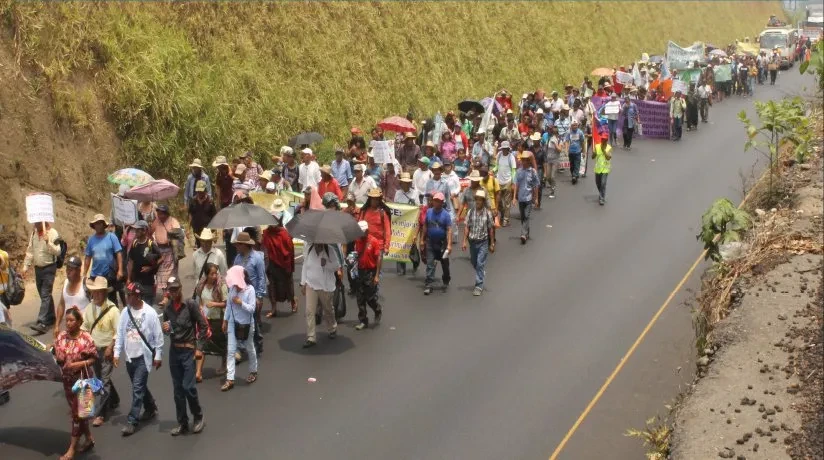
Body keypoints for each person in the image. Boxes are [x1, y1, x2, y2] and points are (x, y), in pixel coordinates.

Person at [159, 276, 207, 435]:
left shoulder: (190, 305)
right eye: (170, 290)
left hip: (188, 351)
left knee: (188, 387)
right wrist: (165, 329)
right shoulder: (167, 309)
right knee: (178, 390)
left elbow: (203, 325)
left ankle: (198, 416)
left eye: (175, 289)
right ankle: (182, 422)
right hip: (174, 351)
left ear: (180, 288)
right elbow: (168, 330)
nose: (173, 292)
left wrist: (199, 347)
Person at [114, 282, 163, 436]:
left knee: (137, 388)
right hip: (130, 356)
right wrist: (117, 353)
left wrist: (158, 355)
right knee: (139, 386)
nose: (127, 297)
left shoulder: (150, 313)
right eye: (127, 295)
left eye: (130, 295)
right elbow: (120, 334)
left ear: (138, 295)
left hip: (143, 357)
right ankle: (150, 406)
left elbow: (158, 336)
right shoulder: (125, 312)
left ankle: (132, 421)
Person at [53, 308, 97, 460]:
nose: (68, 323)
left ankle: (71, 450)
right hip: (67, 381)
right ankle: (89, 438)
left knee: (77, 415)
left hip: (83, 381)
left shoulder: (86, 338)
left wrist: (79, 364)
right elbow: (58, 356)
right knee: (81, 413)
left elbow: (93, 358)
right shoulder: (61, 337)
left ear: (79, 322)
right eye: (67, 320)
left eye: (72, 320)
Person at [81, 276, 121, 427]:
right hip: (93, 349)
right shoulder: (89, 308)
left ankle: (101, 414)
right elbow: (85, 326)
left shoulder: (113, 311)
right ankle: (114, 398)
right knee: (101, 378)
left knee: (103, 382)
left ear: (104, 293)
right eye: (93, 292)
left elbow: (118, 333)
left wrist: (111, 348)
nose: (95, 295)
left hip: (107, 350)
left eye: (98, 292)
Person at [220, 266, 258, 390]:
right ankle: (230, 379)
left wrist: (240, 303)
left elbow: (252, 309)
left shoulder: (250, 290)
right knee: (231, 351)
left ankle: (253, 371)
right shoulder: (232, 289)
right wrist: (225, 320)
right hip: (232, 322)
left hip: (246, 324)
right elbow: (228, 306)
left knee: (249, 347)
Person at [23, 221, 62, 334]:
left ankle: (42, 322)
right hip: (38, 269)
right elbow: (30, 251)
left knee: (45, 293)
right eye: (35, 223)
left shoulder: (53, 233)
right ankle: (51, 317)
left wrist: (47, 241)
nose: (35, 225)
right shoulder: (34, 233)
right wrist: (25, 266)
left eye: (37, 223)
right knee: (43, 294)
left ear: (43, 222)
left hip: (49, 267)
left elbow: (58, 251)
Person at [300, 241, 340, 344]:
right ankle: (311, 337)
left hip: (324, 286)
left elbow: (336, 266)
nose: (317, 243)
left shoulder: (329, 250)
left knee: (328, 309)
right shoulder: (309, 249)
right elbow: (305, 266)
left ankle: (332, 328)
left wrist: (326, 263)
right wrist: (303, 283)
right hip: (311, 284)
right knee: (309, 311)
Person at [261, 207, 297, 316]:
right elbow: (263, 246)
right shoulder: (266, 233)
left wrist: (290, 265)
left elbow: (290, 250)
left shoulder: (284, 233)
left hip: (284, 263)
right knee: (271, 286)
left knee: (288, 285)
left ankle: (293, 302)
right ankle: (273, 308)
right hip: (271, 263)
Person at [84, 214, 124, 306]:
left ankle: (114, 318)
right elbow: (88, 257)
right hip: (95, 274)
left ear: (103, 225)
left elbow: (119, 253)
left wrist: (120, 270)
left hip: (108, 274)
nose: (98, 225)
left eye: (100, 223)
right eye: (96, 224)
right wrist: (84, 274)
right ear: (94, 226)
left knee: (111, 300)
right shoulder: (91, 240)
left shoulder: (111, 237)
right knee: (96, 300)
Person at [462, 189, 495, 296]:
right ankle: (480, 272)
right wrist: (464, 241)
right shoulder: (471, 212)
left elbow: (490, 228)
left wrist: (492, 243)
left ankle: (478, 285)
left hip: (483, 242)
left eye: (480, 200)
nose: (478, 202)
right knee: (474, 262)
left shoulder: (488, 214)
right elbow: (467, 226)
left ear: (483, 201)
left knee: (480, 263)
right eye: (477, 200)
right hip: (472, 241)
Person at [353, 220, 382, 330]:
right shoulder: (358, 240)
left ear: (367, 231)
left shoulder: (374, 241)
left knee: (369, 297)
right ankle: (363, 320)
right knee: (360, 297)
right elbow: (357, 253)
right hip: (360, 271)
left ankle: (377, 309)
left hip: (371, 272)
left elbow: (379, 258)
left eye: (363, 231)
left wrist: (377, 275)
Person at [422, 192, 452, 295]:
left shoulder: (446, 215)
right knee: (430, 263)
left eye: (438, 201)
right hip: (430, 242)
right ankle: (429, 284)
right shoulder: (429, 212)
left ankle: (446, 279)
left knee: (444, 264)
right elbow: (425, 225)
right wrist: (422, 239)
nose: (436, 203)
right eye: (435, 200)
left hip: (442, 243)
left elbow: (449, 230)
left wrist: (449, 245)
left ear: (442, 202)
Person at [126, 220, 160, 306]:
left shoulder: (150, 244)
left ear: (144, 230)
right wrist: (129, 278)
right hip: (136, 281)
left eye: (138, 230)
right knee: (136, 304)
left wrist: (151, 268)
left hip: (148, 282)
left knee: (147, 305)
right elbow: (131, 261)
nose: (135, 232)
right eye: (135, 230)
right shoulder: (134, 244)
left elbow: (162, 257)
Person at [150, 205, 182, 291]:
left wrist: (171, 236)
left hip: (171, 251)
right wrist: (152, 242)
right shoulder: (156, 221)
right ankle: (165, 294)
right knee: (161, 275)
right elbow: (149, 232)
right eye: (158, 213)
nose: (160, 215)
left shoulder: (173, 221)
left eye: (162, 213)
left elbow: (179, 234)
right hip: (159, 251)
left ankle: (170, 294)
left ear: (166, 214)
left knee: (170, 274)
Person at [54, 256, 85, 338]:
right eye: (67, 269)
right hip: (69, 330)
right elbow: (61, 304)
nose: (68, 272)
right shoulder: (65, 283)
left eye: (71, 270)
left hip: (84, 331)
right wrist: (57, 325)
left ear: (79, 270)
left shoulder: (86, 284)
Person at [514, 151, 540, 244]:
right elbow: (516, 184)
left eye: (525, 160)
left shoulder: (533, 172)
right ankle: (526, 232)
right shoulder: (518, 172)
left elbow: (536, 185)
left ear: (529, 161)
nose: (524, 162)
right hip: (521, 198)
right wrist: (514, 197)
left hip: (529, 198)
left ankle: (523, 234)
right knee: (522, 217)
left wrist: (536, 198)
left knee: (526, 216)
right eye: (522, 160)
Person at [358, 188, 392, 254]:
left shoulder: (383, 213)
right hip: (366, 245)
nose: (374, 201)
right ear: (370, 199)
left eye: (376, 199)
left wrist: (386, 247)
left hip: (379, 246)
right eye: (373, 199)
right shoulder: (364, 211)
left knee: (377, 264)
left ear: (379, 200)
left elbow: (387, 231)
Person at [494, 141, 517, 226]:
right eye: (503, 148)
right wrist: (492, 171)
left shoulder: (511, 157)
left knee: (507, 202)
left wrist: (513, 182)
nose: (504, 150)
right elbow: (496, 166)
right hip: (499, 181)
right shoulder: (499, 155)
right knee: (499, 201)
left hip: (507, 181)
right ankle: (503, 214)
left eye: (505, 149)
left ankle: (505, 220)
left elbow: (514, 171)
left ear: (508, 149)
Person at [593, 136, 613, 205]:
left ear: (607, 141)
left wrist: (604, 150)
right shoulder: (597, 146)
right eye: (603, 140)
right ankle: (601, 193)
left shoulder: (609, 148)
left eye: (605, 140)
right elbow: (593, 157)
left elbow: (608, 157)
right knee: (598, 183)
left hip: (605, 169)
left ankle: (602, 198)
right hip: (598, 169)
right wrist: (594, 153)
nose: (604, 141)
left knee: (603, 183)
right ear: (601, 140)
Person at [544, 125, 561, 198]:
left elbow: (559, 150)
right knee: (548, 177)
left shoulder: (559, 140)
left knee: (552, 177)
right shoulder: (549, 139)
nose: (553, 134)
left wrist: (555, 143)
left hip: (555, 160)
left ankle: (552, 191)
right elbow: (546, 150)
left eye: (555, 133)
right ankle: (552, 186)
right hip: (548, 160)